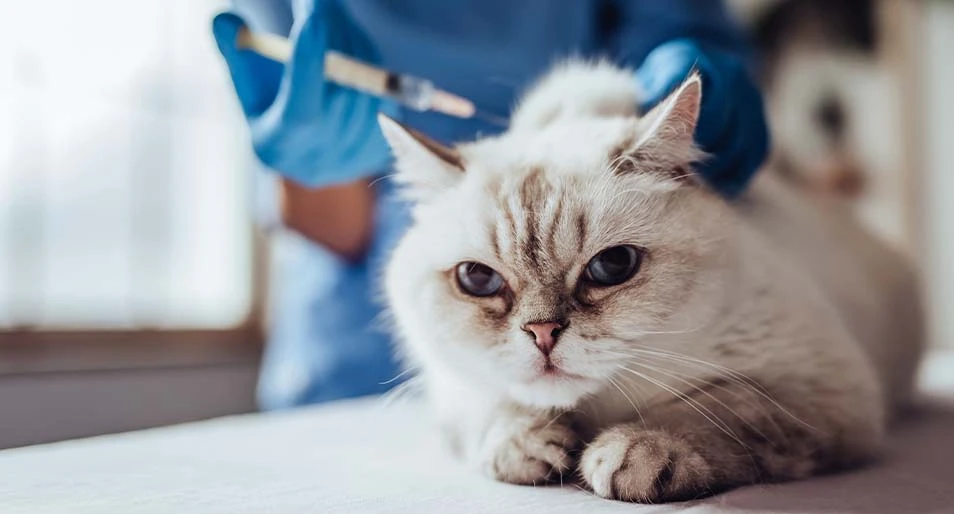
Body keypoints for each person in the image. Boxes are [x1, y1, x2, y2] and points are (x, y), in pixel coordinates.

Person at [211, 0, 770, 410]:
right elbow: (330, 224)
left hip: (631, 362)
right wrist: (315, 162)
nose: (542, 325)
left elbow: (677, 42)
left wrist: (679, 94)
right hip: (361, 363)